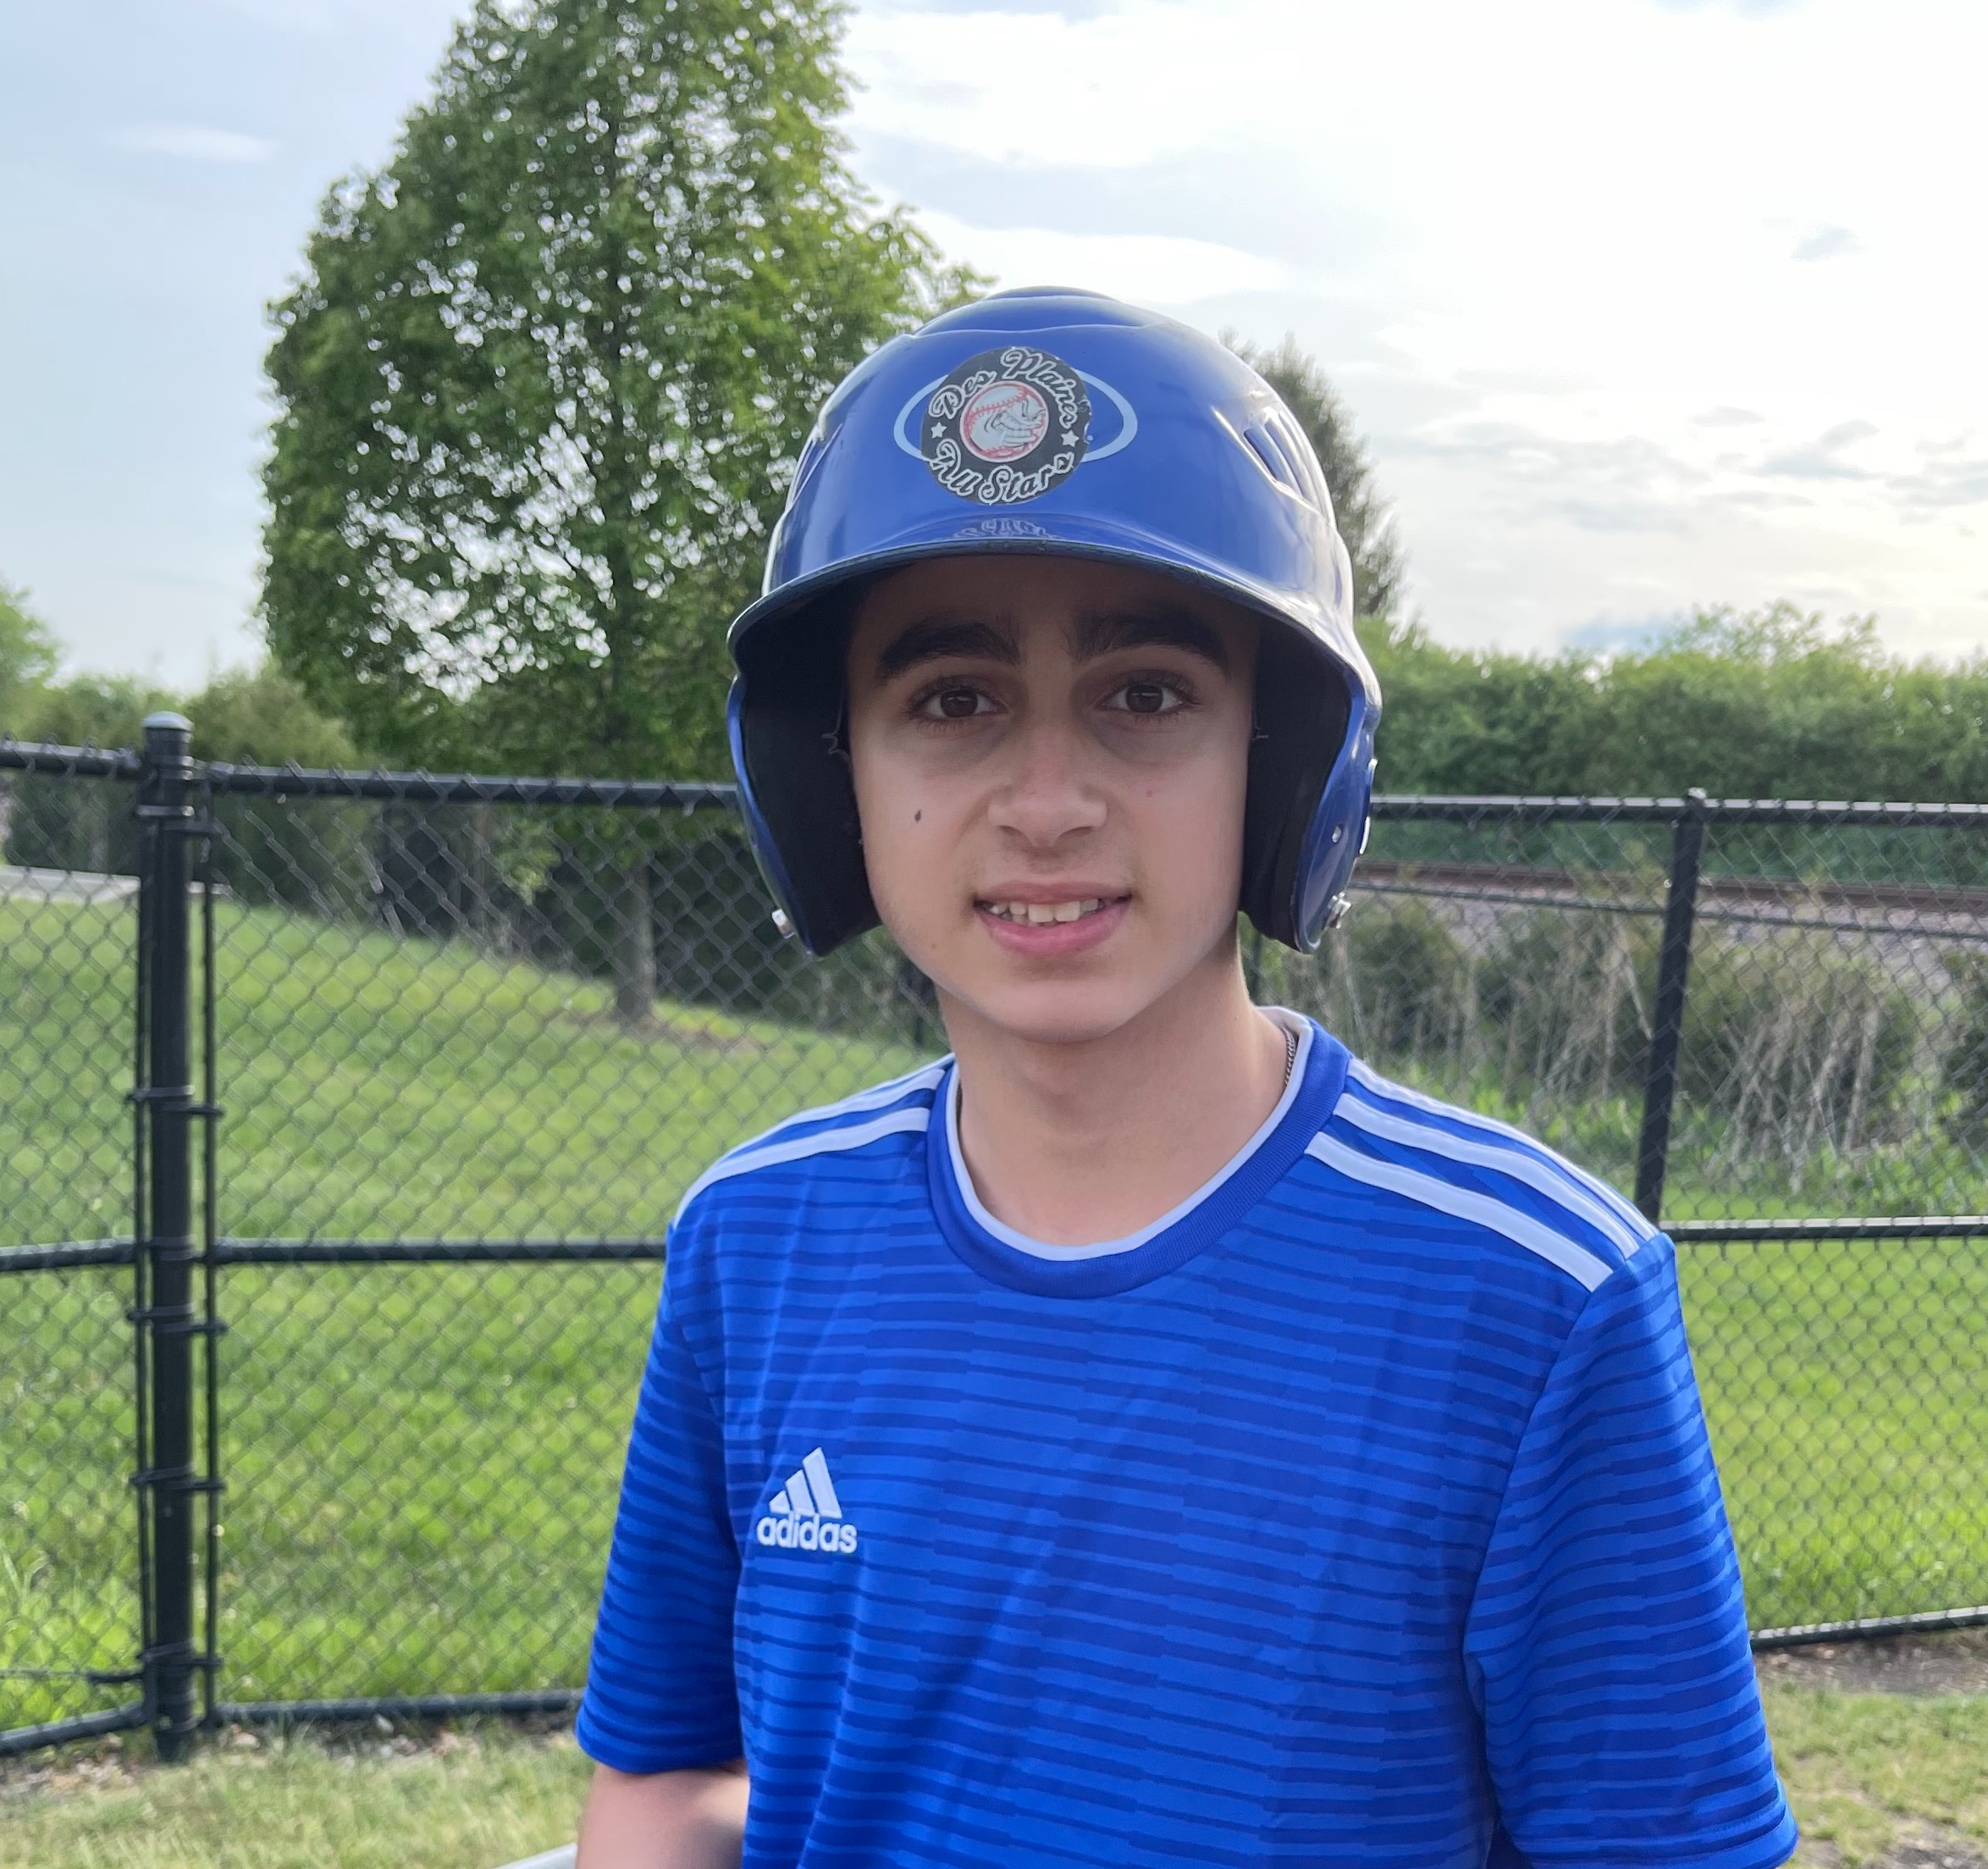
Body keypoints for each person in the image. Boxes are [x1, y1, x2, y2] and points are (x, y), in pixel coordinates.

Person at [571, 289, 1795, 1869]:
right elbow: (667, 1782)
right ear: (834, 780)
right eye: (952, 702)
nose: (1048, 803)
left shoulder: (1538, 1294)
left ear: (1281, 766)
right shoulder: (754, 1238)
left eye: (1145, 694)